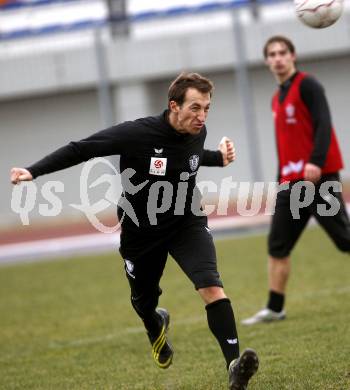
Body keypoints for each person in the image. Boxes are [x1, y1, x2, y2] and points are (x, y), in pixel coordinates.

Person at [11, 72, 259, 389]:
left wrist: (219, 158)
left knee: (211, 285)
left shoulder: (198, 131)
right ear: (174, 105)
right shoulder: (136, 134)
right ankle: (156, 325)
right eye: (195, 108)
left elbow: (189, 159)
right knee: (143, 303)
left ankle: (235, 366)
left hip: (187, 221)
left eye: (207, 108)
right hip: (141, 233)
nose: (202, 116)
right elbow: (80, 149)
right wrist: (33, 170)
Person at [242, 36, 350, 326]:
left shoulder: (308, 84)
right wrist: (280, 179)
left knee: (345, 240)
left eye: (282, 53)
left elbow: (324, 123)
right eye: (272, 54)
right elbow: (285, 143)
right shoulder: (276, 98)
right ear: (267, 61)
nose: (277, 58)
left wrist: (315, 160)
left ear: (293, 55)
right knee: (277, 245)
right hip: (291, 185)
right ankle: (275, 308)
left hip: (319, 179)